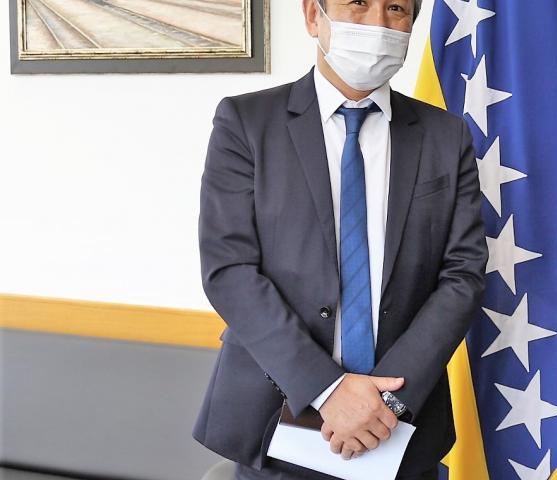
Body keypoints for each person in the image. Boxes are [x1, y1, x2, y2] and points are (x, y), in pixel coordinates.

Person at [192, 1, 487, 478]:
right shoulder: (246, 123)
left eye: (396, 9)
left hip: (402, 426)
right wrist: (328, 390)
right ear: (314, 16)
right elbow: (229, 270)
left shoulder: (445, 136)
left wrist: (385, 401)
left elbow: (463, 276)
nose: (378, 23)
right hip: (276, 418)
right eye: (358, 4)